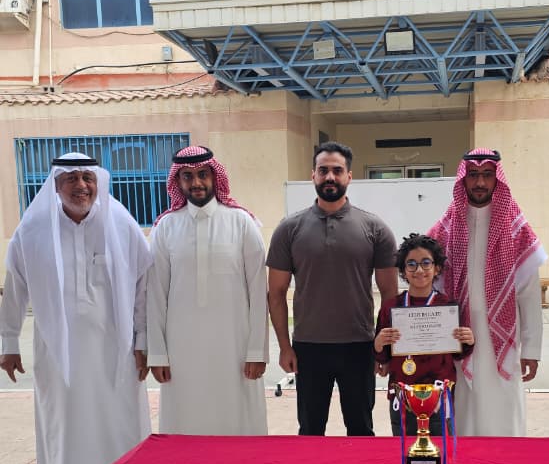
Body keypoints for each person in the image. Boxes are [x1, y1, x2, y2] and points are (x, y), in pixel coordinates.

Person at [0, 153, 152, 464]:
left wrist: (144, 340)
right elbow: (15, 287)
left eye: (88, 177)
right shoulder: (34, 229)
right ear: (56, 185)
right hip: (58, 355)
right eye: (71, 178)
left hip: (116, 353)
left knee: (120, 428)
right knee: (64, 433)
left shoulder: (121, 223)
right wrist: (9, 342)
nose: (81, 186)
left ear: (98, 181)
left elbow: (144, 285)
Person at [267, 141, 397, 435]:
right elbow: (276, 294)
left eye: (337, 171)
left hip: (359, 346)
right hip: (308, 347)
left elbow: (390, 294)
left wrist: (383, 349)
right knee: (310, 430)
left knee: (361, 429)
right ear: (312, 175)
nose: (330, 177)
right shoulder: (289, 229)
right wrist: (285, 347)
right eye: (323, 170)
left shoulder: (375, 228)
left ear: (349, 176)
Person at [147, 144, 268, 435]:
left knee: (238, 425)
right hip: (182, 350)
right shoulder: (166, 228)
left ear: (215, 176)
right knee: (185, 425)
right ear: (178, 182)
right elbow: (155, 295)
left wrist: (257, 351)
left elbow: (258, 291)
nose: (196, 182)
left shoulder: (242, 222)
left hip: (235, 346)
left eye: (203, 174)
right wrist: (158, 355)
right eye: (187, 176)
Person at [427, 148, 545, 436]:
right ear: (463, 179)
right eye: (474, 175)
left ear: (497, 179)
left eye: (487, 175)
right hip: (459, 336)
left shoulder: (516, 227)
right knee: (463, 410)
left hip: (503, 339)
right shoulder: (448, 225)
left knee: (503, 408)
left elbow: (529, 295)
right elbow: (427, 280)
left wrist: (532, 349)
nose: (480, 182)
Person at [374, 233, 474, 436]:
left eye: (426, 263)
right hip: (402, 394)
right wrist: (378, 343)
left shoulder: (448, 307)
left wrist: (468, 341)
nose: (419, 270)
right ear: (403, 270)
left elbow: (458, 354)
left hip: (439, 395)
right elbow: (382, 358)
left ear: (437, 268)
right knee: (403, 449)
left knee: (439, 449)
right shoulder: (391, 307)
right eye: (411, 264)